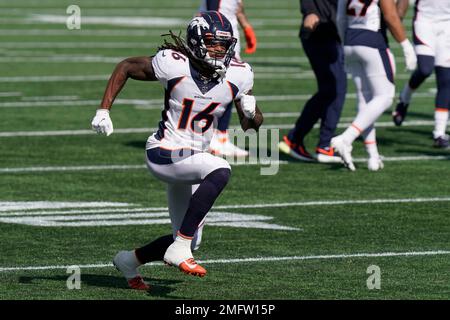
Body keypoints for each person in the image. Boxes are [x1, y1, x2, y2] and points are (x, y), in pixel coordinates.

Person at [91, 11, 263, 290]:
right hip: (165, 151)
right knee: (220, 169)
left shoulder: (239, 74)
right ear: (196, 41)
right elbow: (126, 66)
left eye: (224, 44)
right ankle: (180, 247)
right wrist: (104, 109)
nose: (219, 50)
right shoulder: (174, 64)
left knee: (189, 237)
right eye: (212, 43)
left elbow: (250, 126)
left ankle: (129, 261)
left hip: (194, 161)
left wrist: (251, 112)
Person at [333, 0, 417, 171]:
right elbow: (390, 15)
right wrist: (407, 46)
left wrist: (345, 43)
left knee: (365, 100)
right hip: (371, 39)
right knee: (385, 97)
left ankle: (373, 156)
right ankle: (346, 138)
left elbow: (340, 18)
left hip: (350, 40)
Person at [278, 0, 347, 164]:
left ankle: (296, 139)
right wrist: (310, 11)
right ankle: (322, 144)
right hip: (320, 30)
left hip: (329, 31)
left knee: (329, 90)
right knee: (335, 89)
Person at [200, 0, 258, 157]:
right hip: (218, 41)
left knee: (229, 89)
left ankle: (221, 137)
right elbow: (211, 13)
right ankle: (211, 137)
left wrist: (246, 26)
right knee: (221, 89)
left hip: (228, 41)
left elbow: (236, 7)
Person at [392, 0, 450, 149]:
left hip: (447, 24)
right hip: (425, 22)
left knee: (445, 80)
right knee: (425, 69)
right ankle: (405, 97)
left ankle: (439, 133)